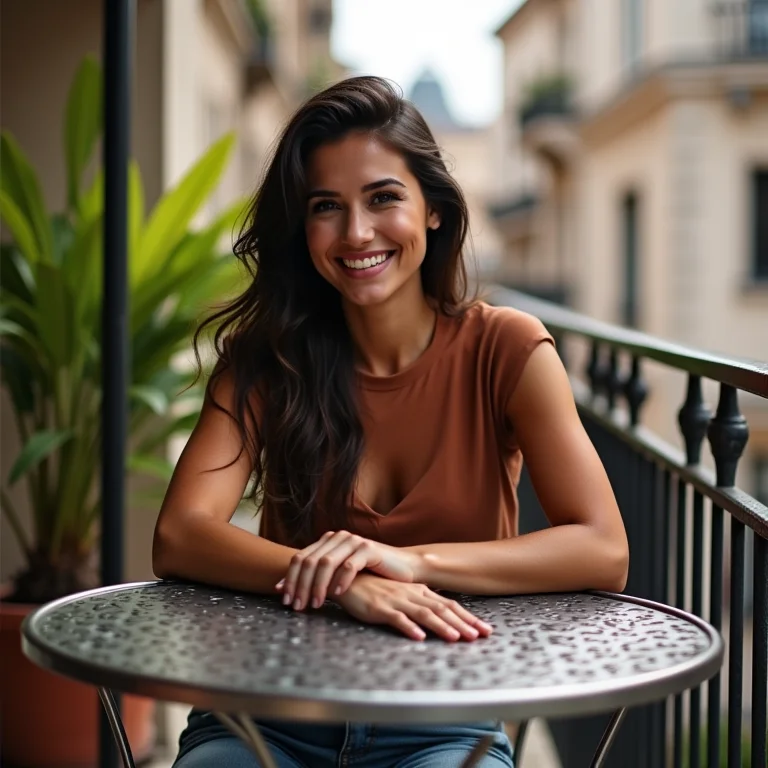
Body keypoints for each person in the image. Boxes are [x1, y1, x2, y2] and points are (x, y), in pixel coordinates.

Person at [153, 75, 629, 768]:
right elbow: (179, 535)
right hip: (267, 713)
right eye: (326, 207)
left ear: (432, 209)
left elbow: (602, 549)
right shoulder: (267, 359)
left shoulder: (508, 349)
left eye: (382, 198)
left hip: (443, 724)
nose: (356, 233)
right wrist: (346, 584)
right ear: (303, 228)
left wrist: (411, 564)